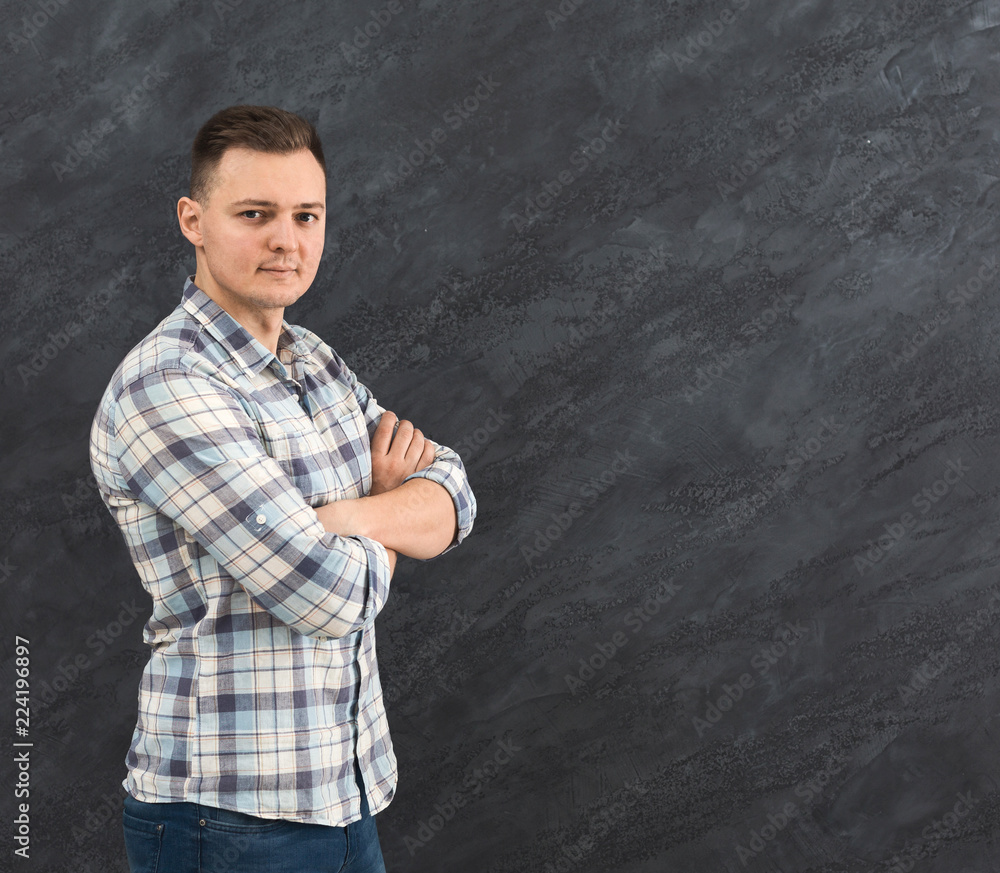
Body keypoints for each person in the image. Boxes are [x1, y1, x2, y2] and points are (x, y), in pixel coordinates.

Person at [89, 104, 477, 873]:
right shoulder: (167, 384)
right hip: (226, 818)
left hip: (345, 790)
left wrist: (342, 516)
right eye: (256, 214)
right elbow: (324, 594)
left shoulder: (317, 363)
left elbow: (456, 495)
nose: (286, 239)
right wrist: (387, 516)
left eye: (307, 214)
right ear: (192, 219)